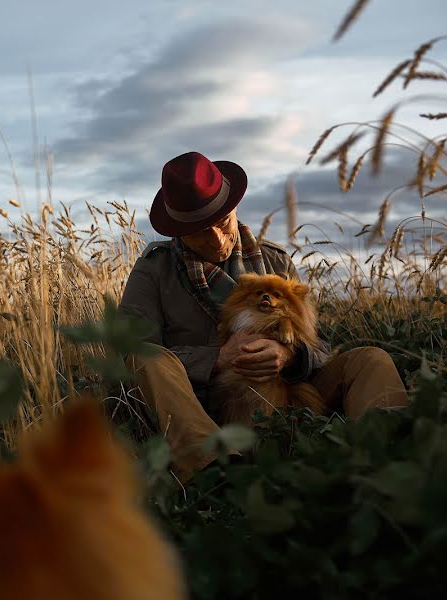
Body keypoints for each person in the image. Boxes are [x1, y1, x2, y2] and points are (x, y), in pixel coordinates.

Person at [119, 151, 409, 482]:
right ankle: (213, 476)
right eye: (200, 231)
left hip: (286, 402)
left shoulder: (274, 262)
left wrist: (289, 355)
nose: (215, 239)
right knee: (148, 358)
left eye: (221, 222)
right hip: (205, 410)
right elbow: (130, 351)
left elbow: (321, 349)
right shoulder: (154, 271)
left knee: (370, 360)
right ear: (179, 231)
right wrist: (217, 358)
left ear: (234, 209)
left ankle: (387, 461)